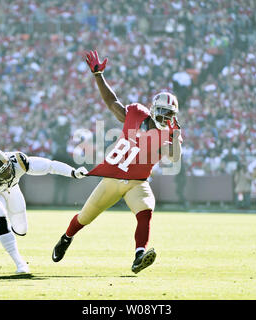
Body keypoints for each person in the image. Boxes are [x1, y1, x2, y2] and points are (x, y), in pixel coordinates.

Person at [52, 50, 183, 274]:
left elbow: (174, 156)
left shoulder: (169, 134)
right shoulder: (136, 114)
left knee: (146, 211)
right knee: (84, 217)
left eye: (168, 114)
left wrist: (176, 135)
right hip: (112, 179)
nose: (164, 118)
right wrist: (98, 76)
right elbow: (112, 102)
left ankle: (139, 255)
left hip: (137, 183)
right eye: (161, 112)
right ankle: (66, 238)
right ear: (152, 110)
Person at [0, 148, 88, 273]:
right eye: (3, 173)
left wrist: (73, 173)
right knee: (1, 219)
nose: (9, 173)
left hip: (13, 190)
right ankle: (20, 264)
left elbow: (50, 165)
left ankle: (10, 234)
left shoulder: (17, 161)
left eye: (8, 168)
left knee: (21, 229)